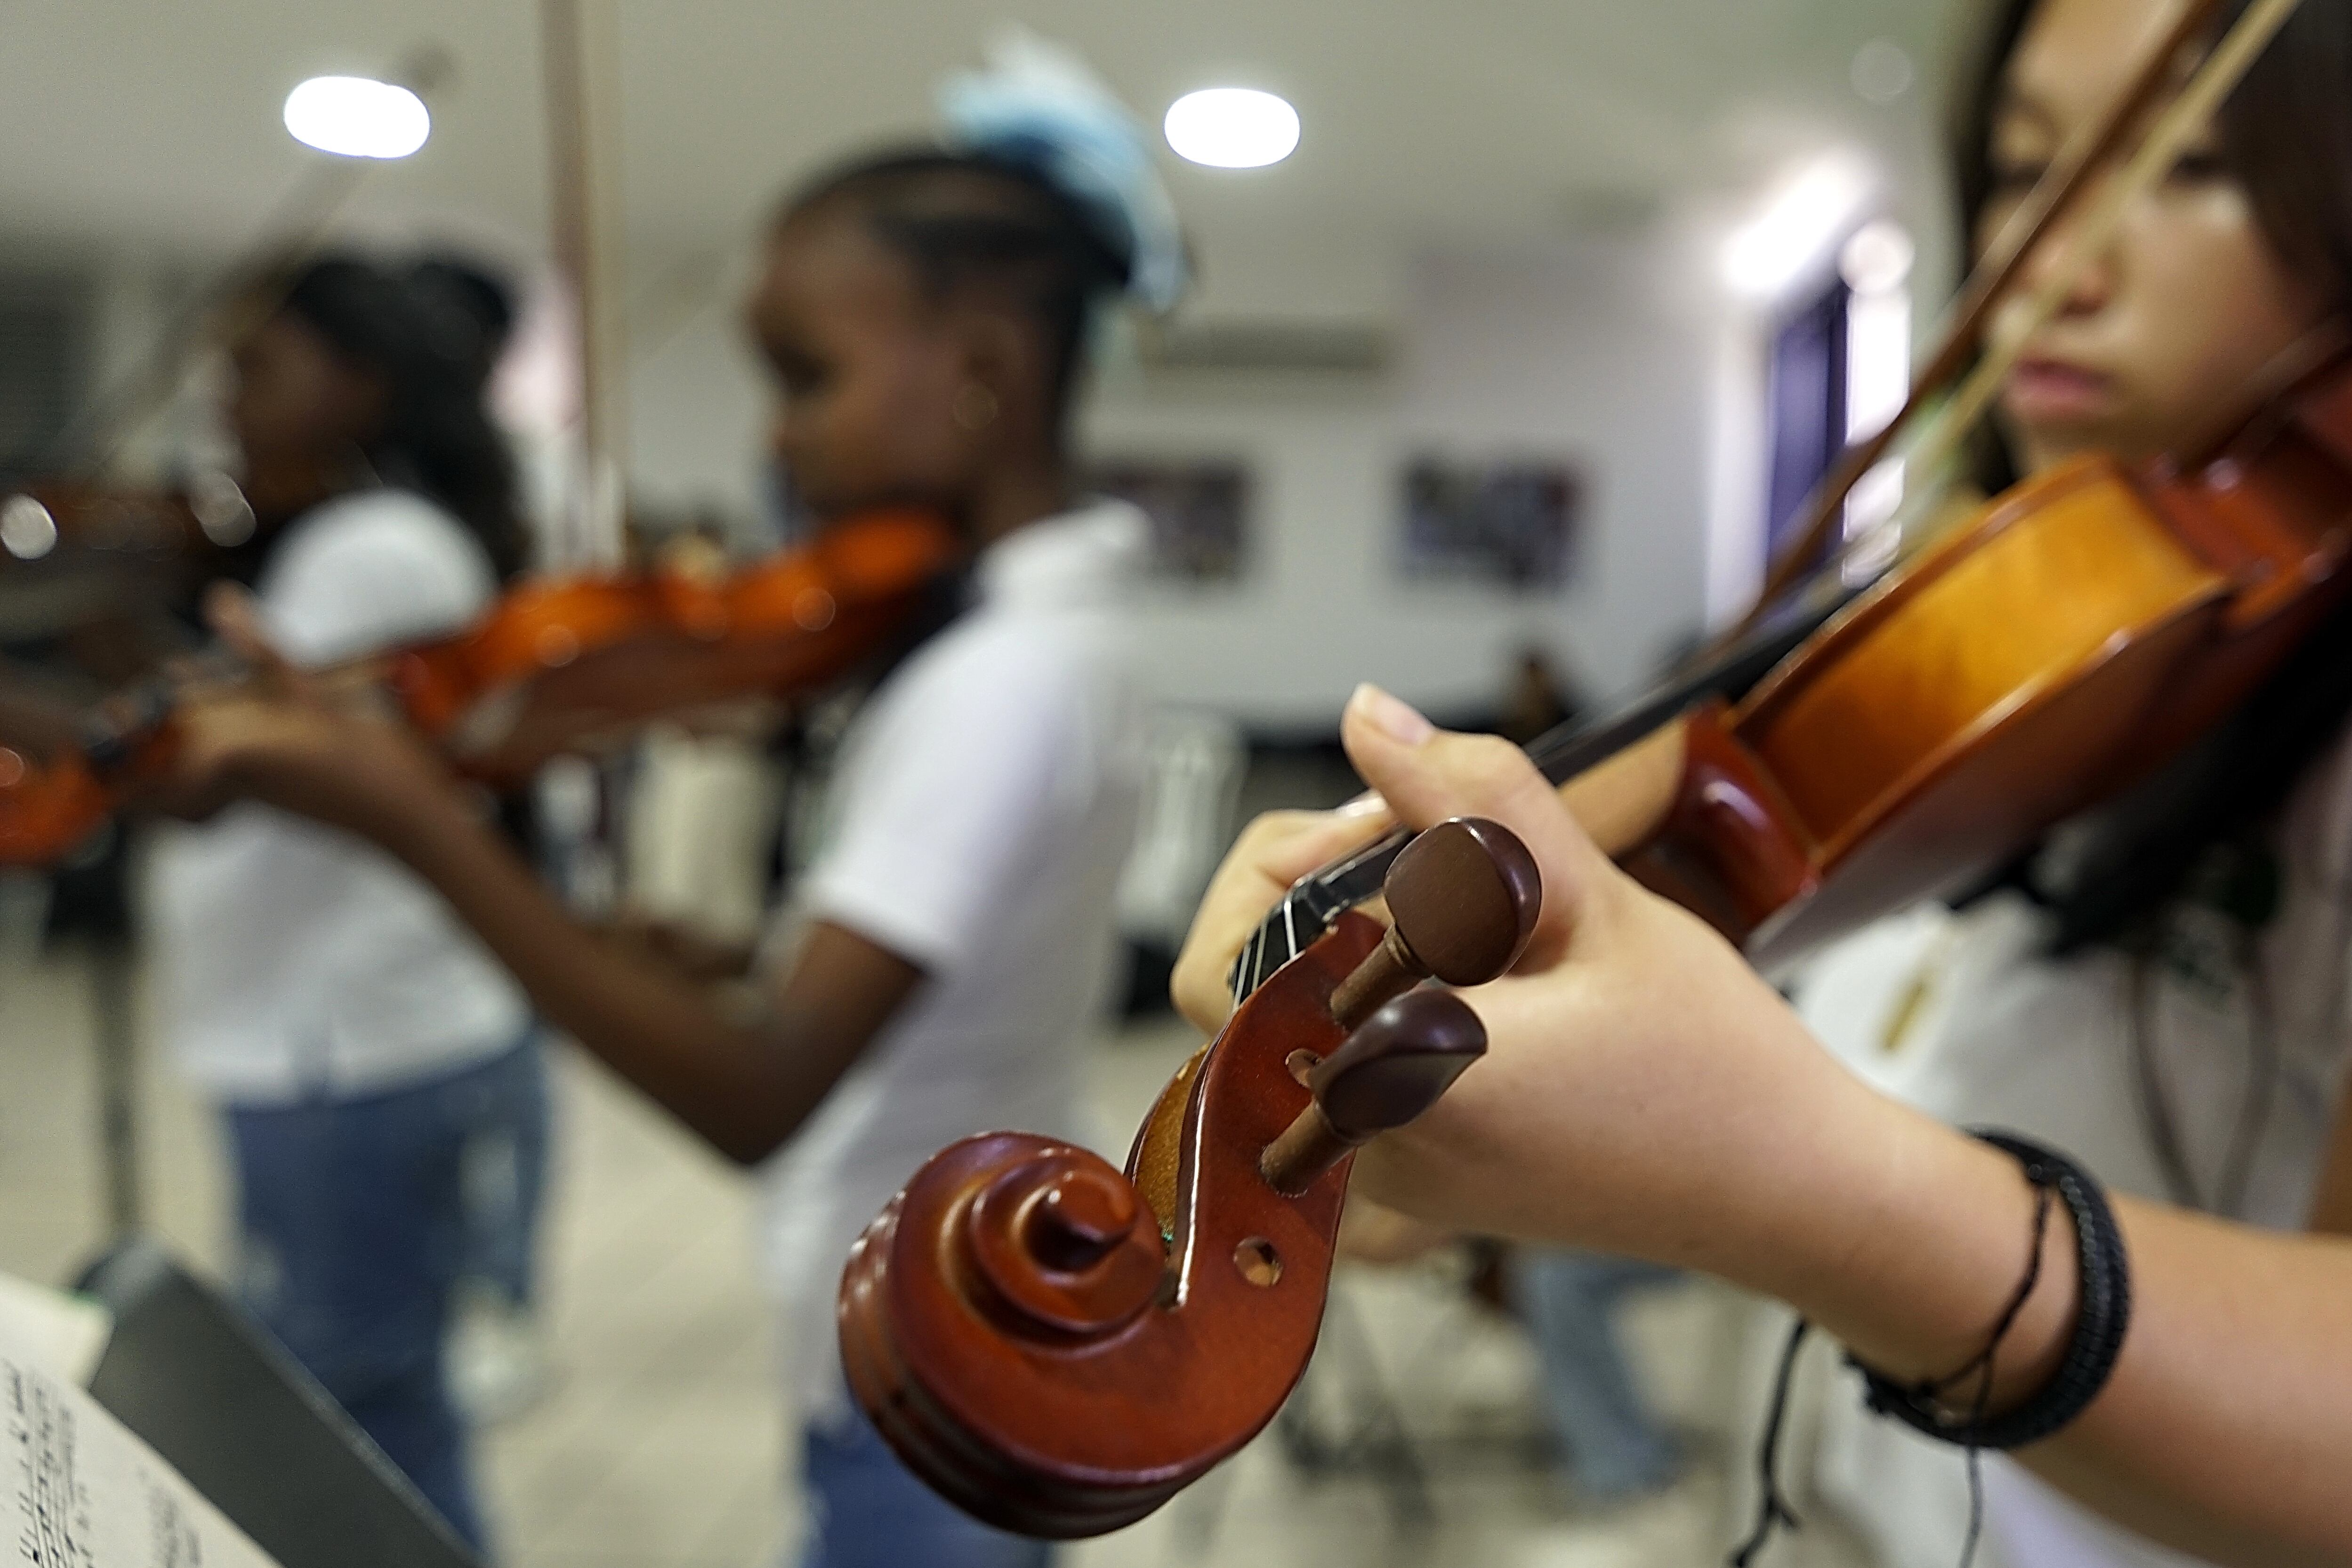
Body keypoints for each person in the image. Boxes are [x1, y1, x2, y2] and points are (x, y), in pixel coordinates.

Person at [1163, 0, 2352, 1561]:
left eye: (2193, 166)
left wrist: (1804, 1192)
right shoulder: (1986, 640)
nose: (2063, 260)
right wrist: (1424, 1134)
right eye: (2027, 170)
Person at [146, 40, 1182, 1568]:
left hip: (938, 1354)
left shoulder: (1001, 682)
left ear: (979, 376)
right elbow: (891, 987)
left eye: (803, 376)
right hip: (961, 1319)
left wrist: (413, 822)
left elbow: (759, 1093)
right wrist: (687, 953)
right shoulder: (1048, 632)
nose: (776, 434)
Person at [147, 254, 542, 1552]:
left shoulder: (370, 548)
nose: (224, 402)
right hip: (341, 1038)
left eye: (256, 367)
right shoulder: (359, 539)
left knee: (360, 1424)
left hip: (343, 1051)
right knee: (387, 1410)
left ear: (360, 383)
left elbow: (215, 773)